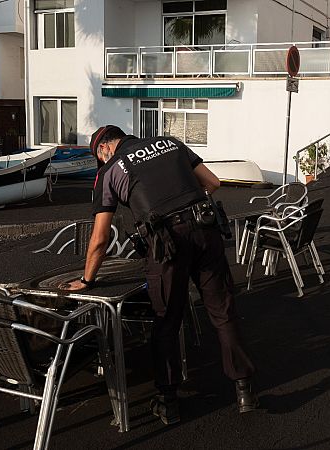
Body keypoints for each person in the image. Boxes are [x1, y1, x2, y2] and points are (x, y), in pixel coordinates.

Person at [60, 125, 257, 424]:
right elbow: (213, 182)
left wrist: (87, 280)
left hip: (166, 244)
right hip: (206, 231)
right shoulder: (171, 143)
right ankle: (244, 390)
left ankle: (168, 402)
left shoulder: (111, 170)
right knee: (223, 311)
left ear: (103, 150)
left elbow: (100, 238)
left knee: (167, 321)